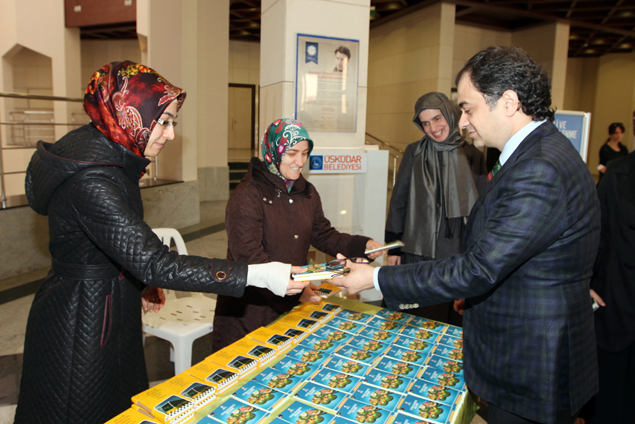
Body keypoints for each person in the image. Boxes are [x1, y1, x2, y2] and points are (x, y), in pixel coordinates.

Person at [14, 61, 308, 424]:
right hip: (81, 320)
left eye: (173, 122)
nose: (169, 134)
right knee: (80, 409)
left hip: (105, 302)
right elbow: (155, 261)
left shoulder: (110, 153)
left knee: (118, 407)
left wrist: (140, 280)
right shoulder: (92, 179)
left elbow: (121, 242)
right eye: (163, 121)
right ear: (129, 114)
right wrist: (257, 274)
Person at [331, 46, 600, 424]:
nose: (461, 123)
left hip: (531, 362)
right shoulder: (537, 154)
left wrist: (374, 276)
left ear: (508, 102)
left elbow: (479, 268)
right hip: (525, 349)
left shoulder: (539, 168)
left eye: (468, 108)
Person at [212, 118, 383, 352]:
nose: (300, 161)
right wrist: (296, 293)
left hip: (288, 301)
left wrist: (363, 245)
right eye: (292, 153)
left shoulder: (306, 192)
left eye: (304, 153)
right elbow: (249, 259)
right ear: (273, 151)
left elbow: (324, 235)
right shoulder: (248, 195)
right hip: (248, 311)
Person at [384, 92, 486, 325]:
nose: (433, 128)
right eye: (425, 123)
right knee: (416, 315)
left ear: (450, 115)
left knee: (450, 317)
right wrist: (393, 249)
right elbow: (399, 202)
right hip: (417, 248)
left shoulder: (473, 155)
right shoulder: (414, 152)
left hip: (457, 249)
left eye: (438, 118)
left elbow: (482, 209)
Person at [583, 151, 635, 423]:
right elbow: (595, 234)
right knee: (608, 405)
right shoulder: (616, 172)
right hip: (613, 305)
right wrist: (584, 282)